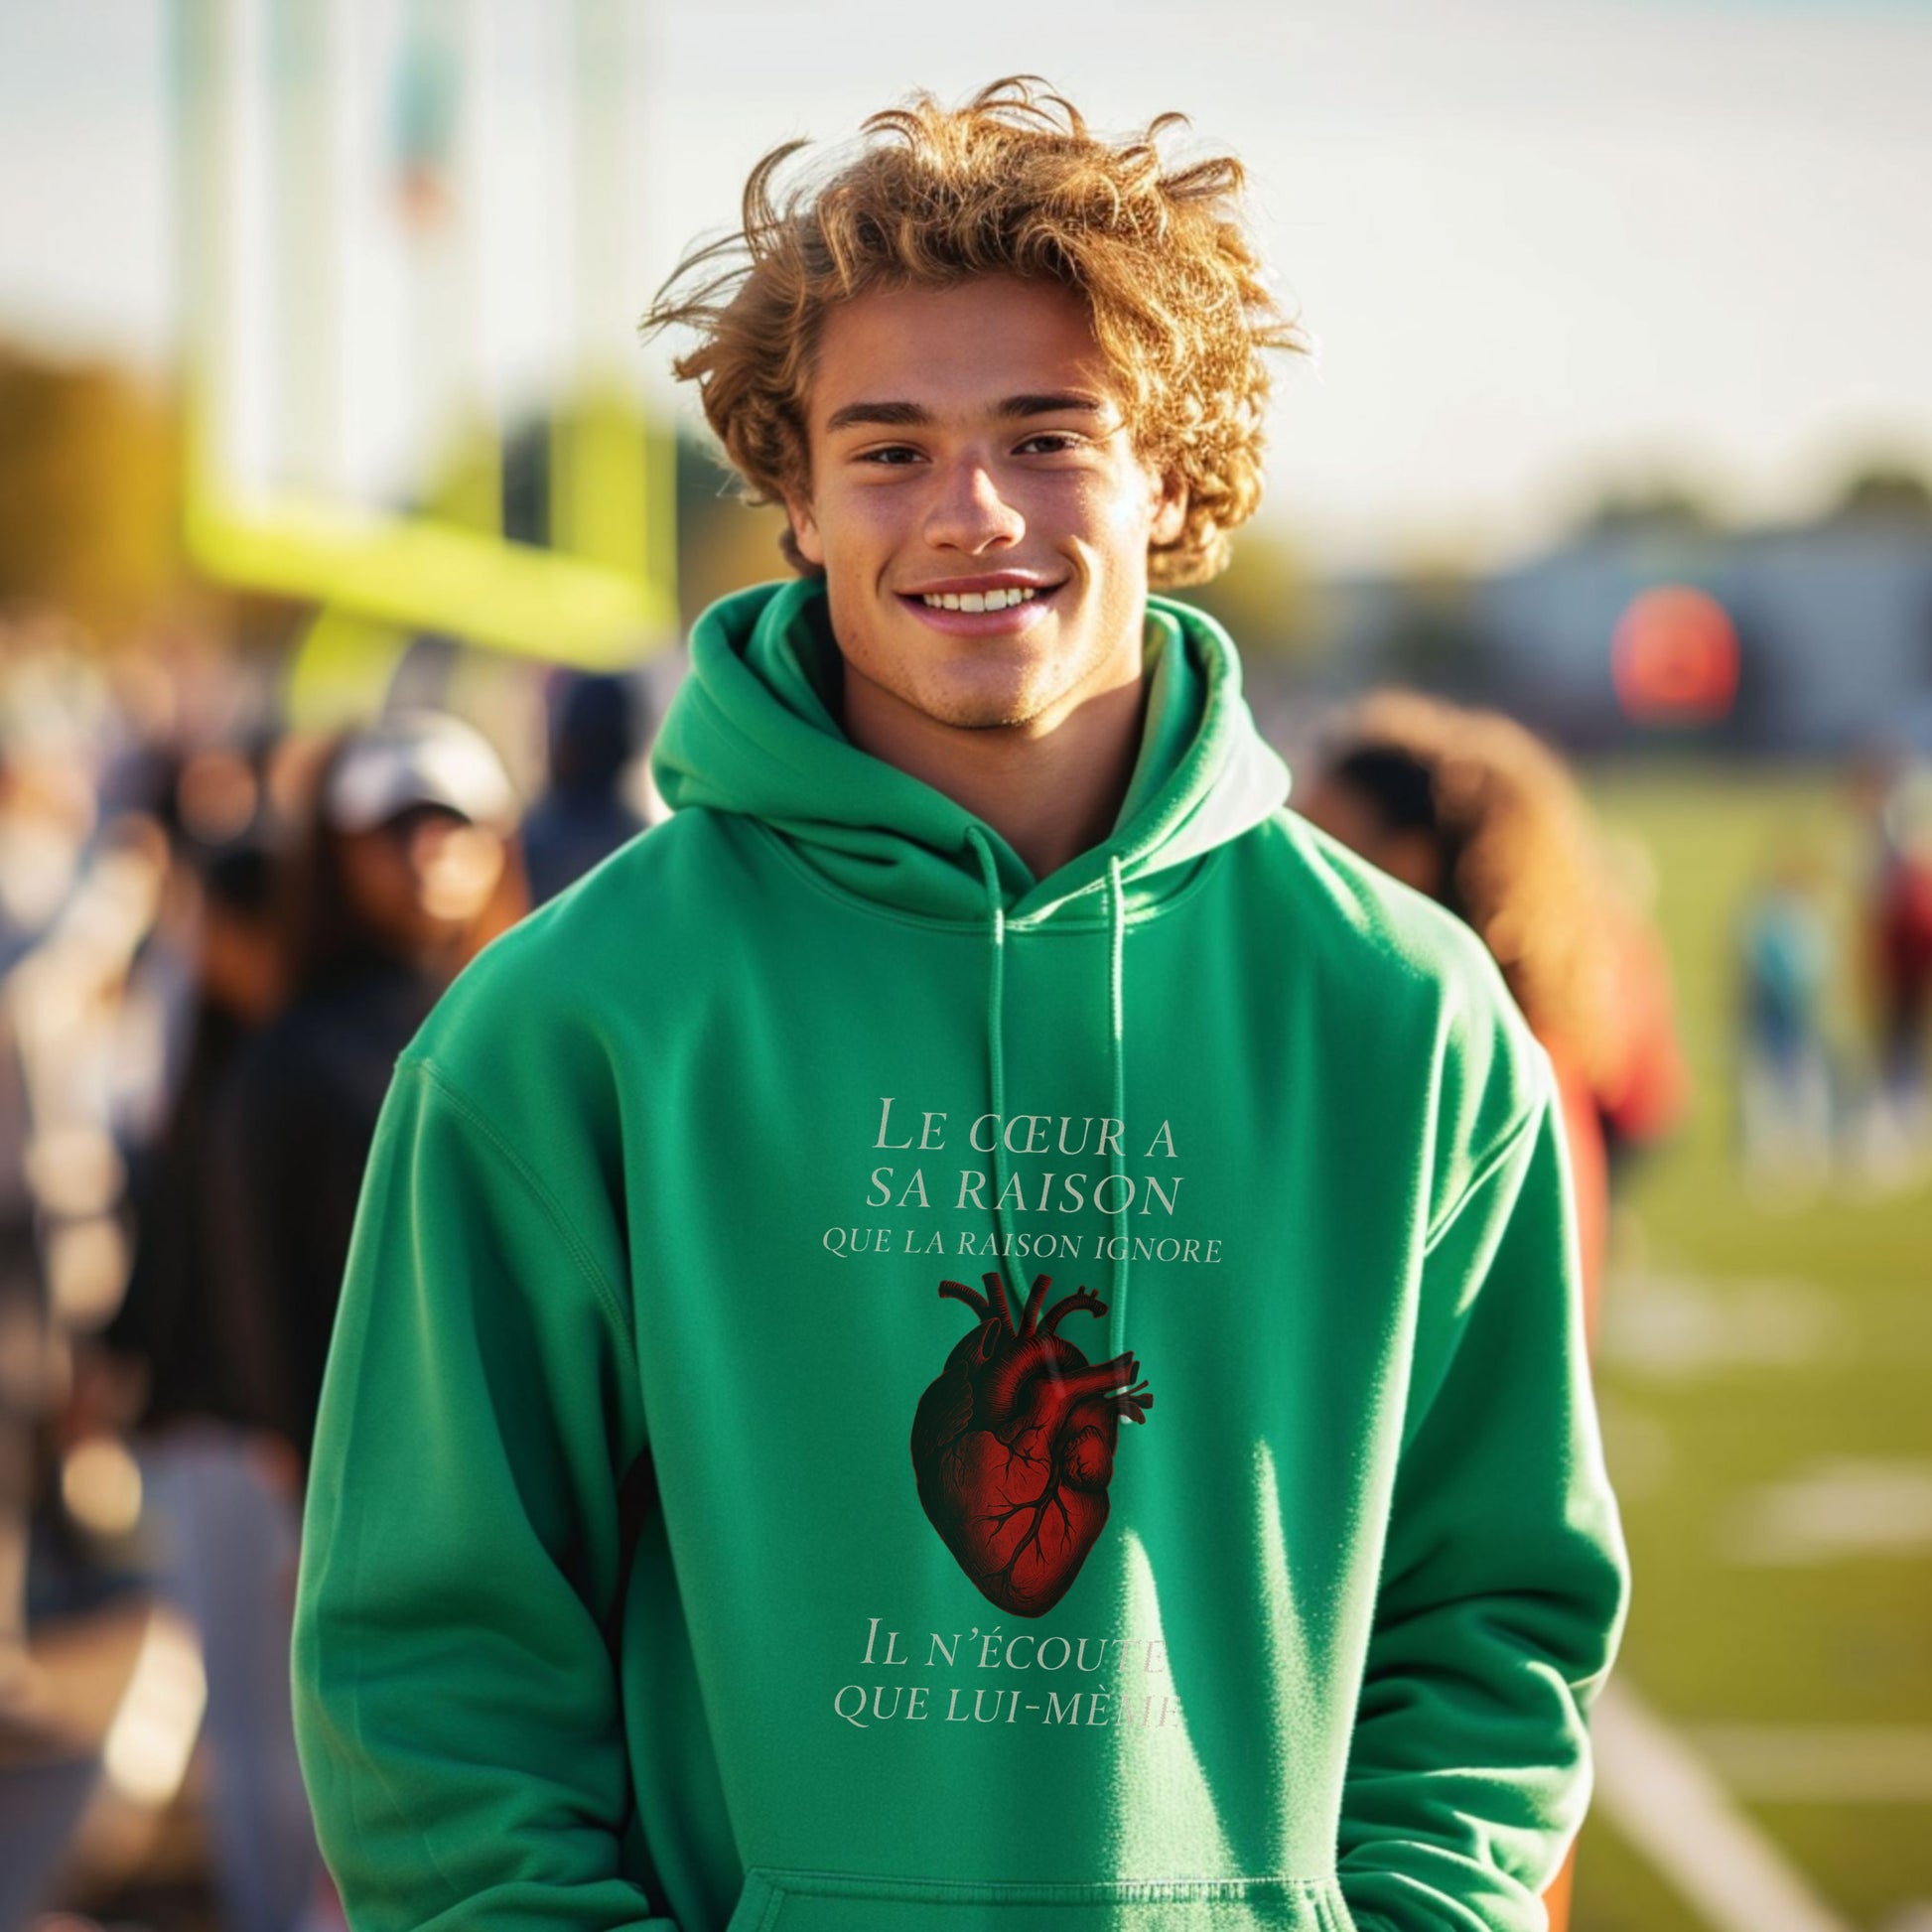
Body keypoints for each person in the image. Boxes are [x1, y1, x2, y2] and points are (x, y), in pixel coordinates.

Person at [294, 80, 1626, 1932]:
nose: (969, 511)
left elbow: (1490, 1626)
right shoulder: (568, 1025)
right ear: (797, 498)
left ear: (1173, 474)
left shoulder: (1406, 1015)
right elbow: (432, 1673)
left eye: (1046, 435)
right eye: (890, 448)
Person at [1302, 691, 1686, 1332]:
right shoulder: (1487, 1045)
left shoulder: (1472, 1072)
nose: (1289, 872)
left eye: (1321, 844)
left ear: (1408, 864)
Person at [214, 710, 521, 1464]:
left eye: (456, 822)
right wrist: (303, 1455)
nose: (429, 850)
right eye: (396, 826)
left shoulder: (526, 1030)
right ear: (338, 850)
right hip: (368, 1458)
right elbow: (264, 1283)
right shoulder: (293, 1055)